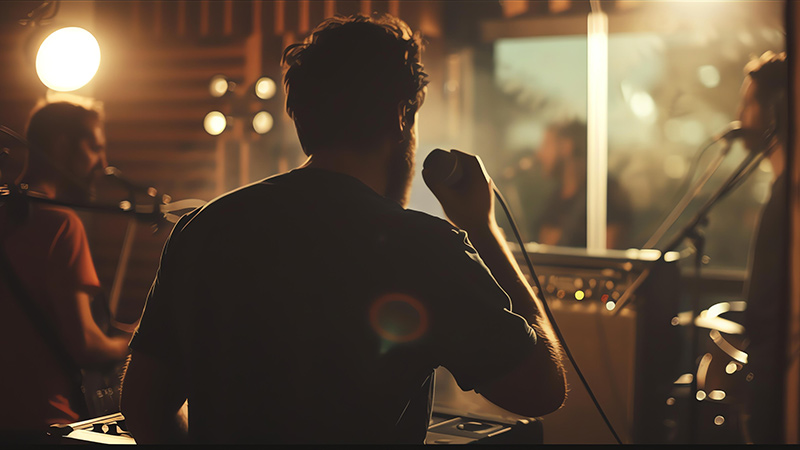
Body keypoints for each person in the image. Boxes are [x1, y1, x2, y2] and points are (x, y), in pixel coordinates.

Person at [121, 14, 567, 444]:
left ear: (301, 116)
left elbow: (143, 407)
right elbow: (541, 389)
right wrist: (482, 230)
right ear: (400, 115)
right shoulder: (426, 248)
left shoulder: (203, 229)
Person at [0, 102, 133, 442]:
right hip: (45, 423)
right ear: (61, 145)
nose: (102, 164)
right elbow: (85, 345)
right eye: (94, 147)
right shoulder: (61, 225)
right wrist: (131, 343)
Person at [736, 50, 789, 445]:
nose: (740, 117)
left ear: (777, 110)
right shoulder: (780, 191)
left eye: (747, 104)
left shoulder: (791, 196)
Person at [506, 120, 632, 249]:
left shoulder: (608, 194)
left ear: (567, 146)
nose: (539, 154)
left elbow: (609, 260)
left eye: (546, 144)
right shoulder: (555, 198)